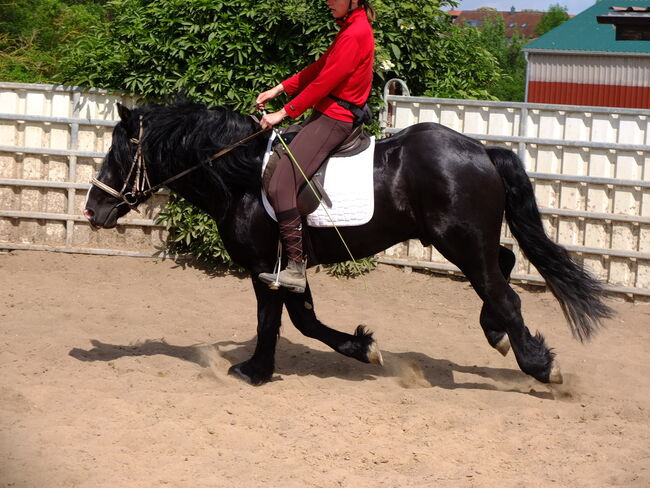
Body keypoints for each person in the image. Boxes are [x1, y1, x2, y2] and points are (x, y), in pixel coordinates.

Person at [256, 0, 375, 293]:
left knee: (282, 182)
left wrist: (282, 113)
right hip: (325, 113)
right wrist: (279, 88)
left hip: (336, 119)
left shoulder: (355, 32)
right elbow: (320, 67)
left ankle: (295, 267)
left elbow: (324, 83)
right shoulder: (348, 27)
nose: (327, 1)